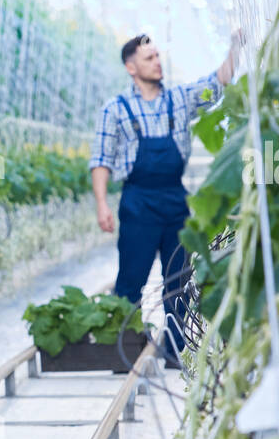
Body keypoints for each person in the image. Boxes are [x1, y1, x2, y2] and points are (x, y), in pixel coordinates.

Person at [89, 31, 241, 365]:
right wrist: (102, 203)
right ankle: (124, 351)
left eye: (158, 56)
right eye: (149, 58)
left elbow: (217, 82)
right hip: (137, 202)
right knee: (131, 279)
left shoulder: (178, 99)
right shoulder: (115, 110)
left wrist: (234, 47)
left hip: (174, 200)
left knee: (178, 281)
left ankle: (174, 351)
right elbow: (101, 159)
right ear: (131, 67)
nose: (157, 63)